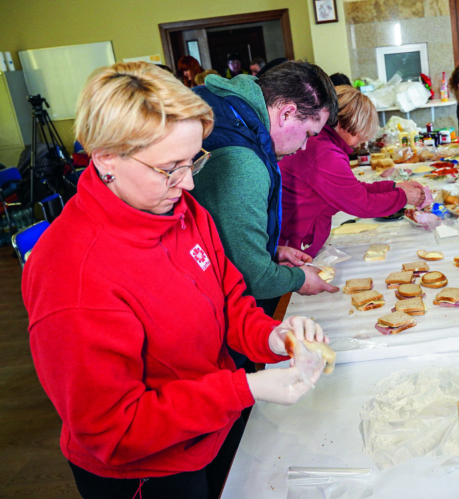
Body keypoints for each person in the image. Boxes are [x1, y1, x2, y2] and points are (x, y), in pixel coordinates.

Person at [22, 62, 329, 499]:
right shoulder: (72, 272)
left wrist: (275, 338)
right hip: (149, 473)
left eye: (192, 161)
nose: (186, 183)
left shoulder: (182, 212)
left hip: (211, 432)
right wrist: (242, 386)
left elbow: (231, 304)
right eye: (170, 167)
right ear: (107, 158)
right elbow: (114, 429)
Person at [191, 61, 339, 323]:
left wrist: (269, 249)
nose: (304, 146)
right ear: (287, 113)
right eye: (307, 133)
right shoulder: (245, 164)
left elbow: (224, 233)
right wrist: (300, 279)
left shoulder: (231, 109)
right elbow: (253, 278)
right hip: (213, 314)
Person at [279, 85, 426, 256]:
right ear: (341, 125)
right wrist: (403, 197)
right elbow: (362, 204)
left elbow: (352, 188)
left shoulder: (322, 142)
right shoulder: (324, 153)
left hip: (296, 239)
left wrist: (394, 187)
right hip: (291, 246)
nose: (360, 141)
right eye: (358, 133)